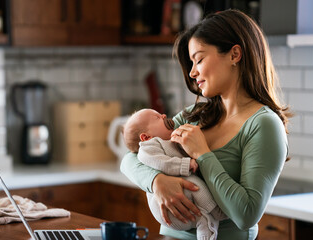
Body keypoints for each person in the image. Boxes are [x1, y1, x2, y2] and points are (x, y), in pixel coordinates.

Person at [120, 9, 290, 240]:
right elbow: (130, 158)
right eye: (191, 63)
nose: (192, 72)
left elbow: (246, 214)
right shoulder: (195, 114)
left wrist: (202, 153)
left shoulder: (263, 125)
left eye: (199, 59)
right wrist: (156, 181)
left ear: (234, 54)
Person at [123, 108, 227, 240]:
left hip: (182, 208)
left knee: (203, 219)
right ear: (146, 137)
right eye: (157, 117)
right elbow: (163, 163)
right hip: (168, 211)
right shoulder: (148, 147)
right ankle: (218, 212)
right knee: (195, 186)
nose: (164, 115)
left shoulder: (167, 140)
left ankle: (207, 232)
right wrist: (184, 165)